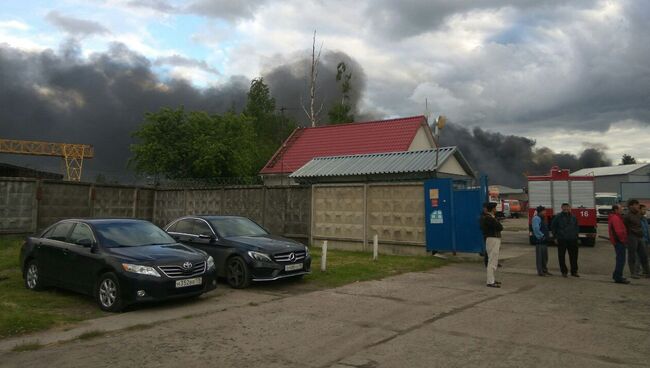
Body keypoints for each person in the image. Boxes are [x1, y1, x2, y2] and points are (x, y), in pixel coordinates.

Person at [551, 203, 580, 277]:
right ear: (561, 208)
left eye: (567, 207)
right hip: (562, 239)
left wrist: (576, 237)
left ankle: (574, 271)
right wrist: (555, 237)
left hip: (572, 239)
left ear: (570, 208)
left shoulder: (573, 217)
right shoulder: (558, 217)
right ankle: (564, 272)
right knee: (561, 256)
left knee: (574, 256)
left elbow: (576, 227)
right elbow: (553, 227)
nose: (566, 208)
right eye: (564, 207)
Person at [623, 199, 649, 279]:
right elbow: (624, 227)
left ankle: (647, 272)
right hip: (632, 237)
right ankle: (633, 273)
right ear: (631, 206)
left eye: (638, 205)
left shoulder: (638, 214)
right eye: (636, 205)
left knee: (644, 255)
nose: (638, 206)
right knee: (632, 255)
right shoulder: (627, 216)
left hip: (640, 236)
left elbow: (644, 215)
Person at [480, 202, 503, 288]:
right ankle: (490, 281)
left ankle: (492, 279)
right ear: (492, 209)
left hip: (493, 239)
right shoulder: (489, 218)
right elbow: (500, 227)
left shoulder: (490, 217)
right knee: (492, 260)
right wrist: (497, 222)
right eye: (495, 208)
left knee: (493, 259)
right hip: (492, 239)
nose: (495, 209)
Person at [609, 205, 630, 284]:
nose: (622, 210)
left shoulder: (617, 217)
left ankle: (616, 275)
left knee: (620, 259)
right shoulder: (615, 218)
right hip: (619, 242)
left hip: (618, 241)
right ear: (616, 210)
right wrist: (623, 240)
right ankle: (618, 277)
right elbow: (618, 231)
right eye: (620, 209)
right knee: (621, 260)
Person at [532, 206, 551, 276]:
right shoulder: (536, 218)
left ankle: (545, 270)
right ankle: (540, 271)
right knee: (540, 257)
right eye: (544, 211)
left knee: (545, 257)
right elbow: (536, 229)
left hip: (544, 241)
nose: (545, 212)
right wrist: (542, 236)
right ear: (540, 211)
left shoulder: (542, 218)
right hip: (540, 241)